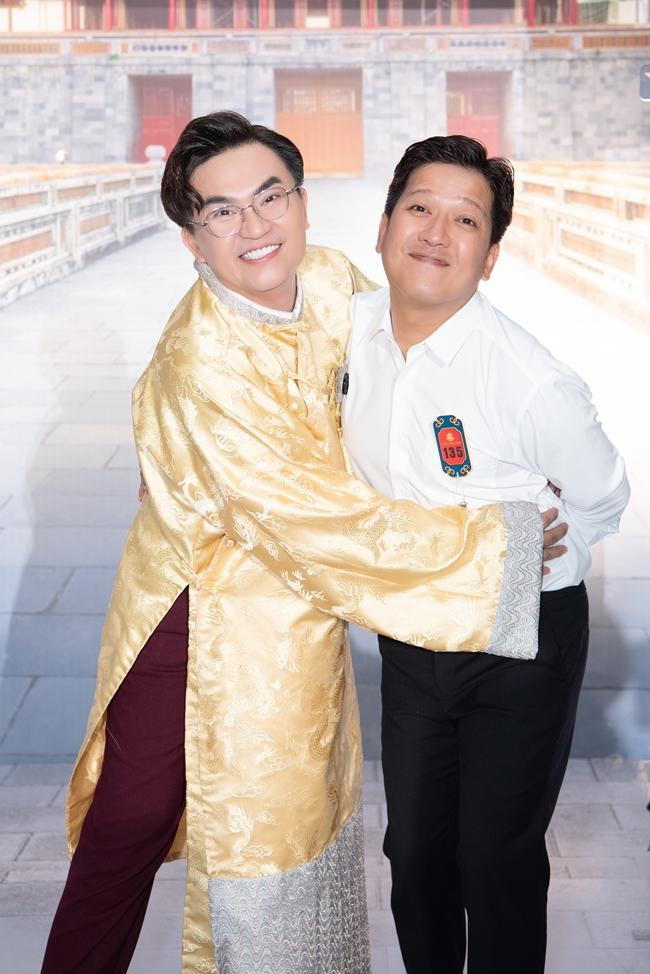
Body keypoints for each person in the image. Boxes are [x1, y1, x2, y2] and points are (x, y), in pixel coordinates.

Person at [40, 114, 562, 974]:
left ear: (303, 202)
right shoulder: (198, 366)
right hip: (200, 613)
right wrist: (490, 551)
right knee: (133, 819)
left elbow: (404, 371)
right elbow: (315, 520)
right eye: (221, 211)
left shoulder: (327, 279)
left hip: (298, 614)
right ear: (192, 239)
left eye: (270, 197)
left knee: (297, 812)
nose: (255, 226)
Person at [341, 134, 630, 974]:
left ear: (491, 256)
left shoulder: (529, 381)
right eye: (419, 208)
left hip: (521, 641)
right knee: (414, 856)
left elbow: (604, 496)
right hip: (415, 633)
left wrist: (525, 560)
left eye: (466, 220)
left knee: (495, 861)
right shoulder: (345, 331)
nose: (436, 233)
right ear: (384, 226)